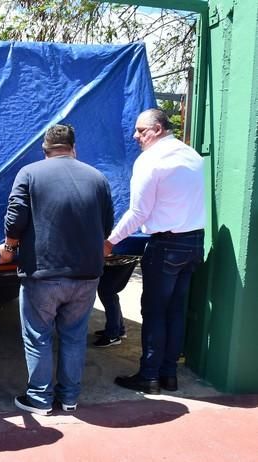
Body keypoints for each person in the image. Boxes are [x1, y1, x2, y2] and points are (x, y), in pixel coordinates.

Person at [0, 124, 113, 415]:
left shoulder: (30, 174)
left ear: (45, 149)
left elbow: (15, 219)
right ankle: (70, 398)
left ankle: (39, 399)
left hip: (43, 273)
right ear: (74, 147)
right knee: (74, 335)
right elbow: (107, 225)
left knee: (38, 335)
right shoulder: (97, 178)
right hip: (87, 274)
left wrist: (9, 248)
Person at [105, 108, 205, 394]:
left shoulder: (151, 161)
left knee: (155, 311)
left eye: (141, 130)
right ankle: (169, 374)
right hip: (193, 242)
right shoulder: (193, 156)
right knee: (176, 310)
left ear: (158, 129)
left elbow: (138, 212)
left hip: (166, 245)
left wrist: (110, 241)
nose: (136, 135)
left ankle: (149, 376)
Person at [92, 256, 139, 347]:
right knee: (109, 293)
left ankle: (113, 334)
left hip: (119, 259)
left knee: (107, 293)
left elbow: (112, 242)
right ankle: (117, 329)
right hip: (122, 258)